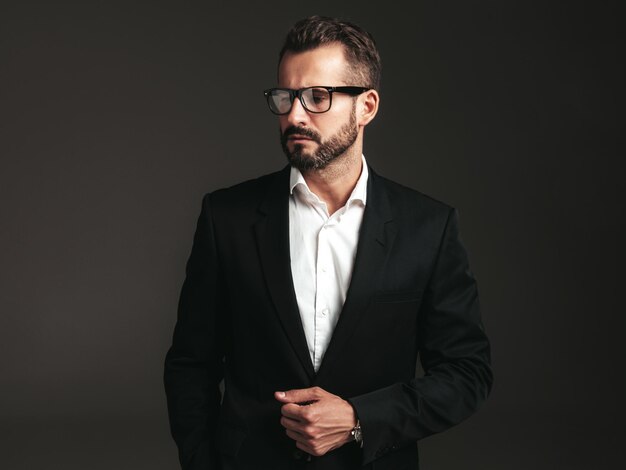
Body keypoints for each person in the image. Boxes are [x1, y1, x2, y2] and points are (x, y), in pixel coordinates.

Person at [164, 15, 492, 470]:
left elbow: (466, 373)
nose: (294, 115)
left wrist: (361, 418)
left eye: (318, 97)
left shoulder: (428, 227)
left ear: (367, 106)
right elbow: (190, 364)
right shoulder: (227, 217)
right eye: (286, 97)